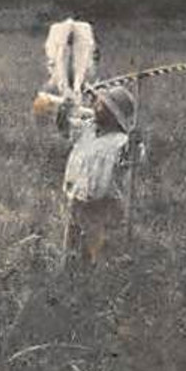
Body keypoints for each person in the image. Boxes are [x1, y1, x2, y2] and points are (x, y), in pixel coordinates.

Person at [58, 86, 139, 266]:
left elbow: (134, 157)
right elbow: (65, 127)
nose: (95, 107)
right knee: (72, 242)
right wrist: (64, 109)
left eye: (101, 106)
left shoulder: (121, 142)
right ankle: (69, 272)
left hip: (104, 204)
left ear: (114, 114)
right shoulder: (87, 130)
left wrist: (134, 142)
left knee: (97, 248)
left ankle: (95, 275)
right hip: (78, 198)